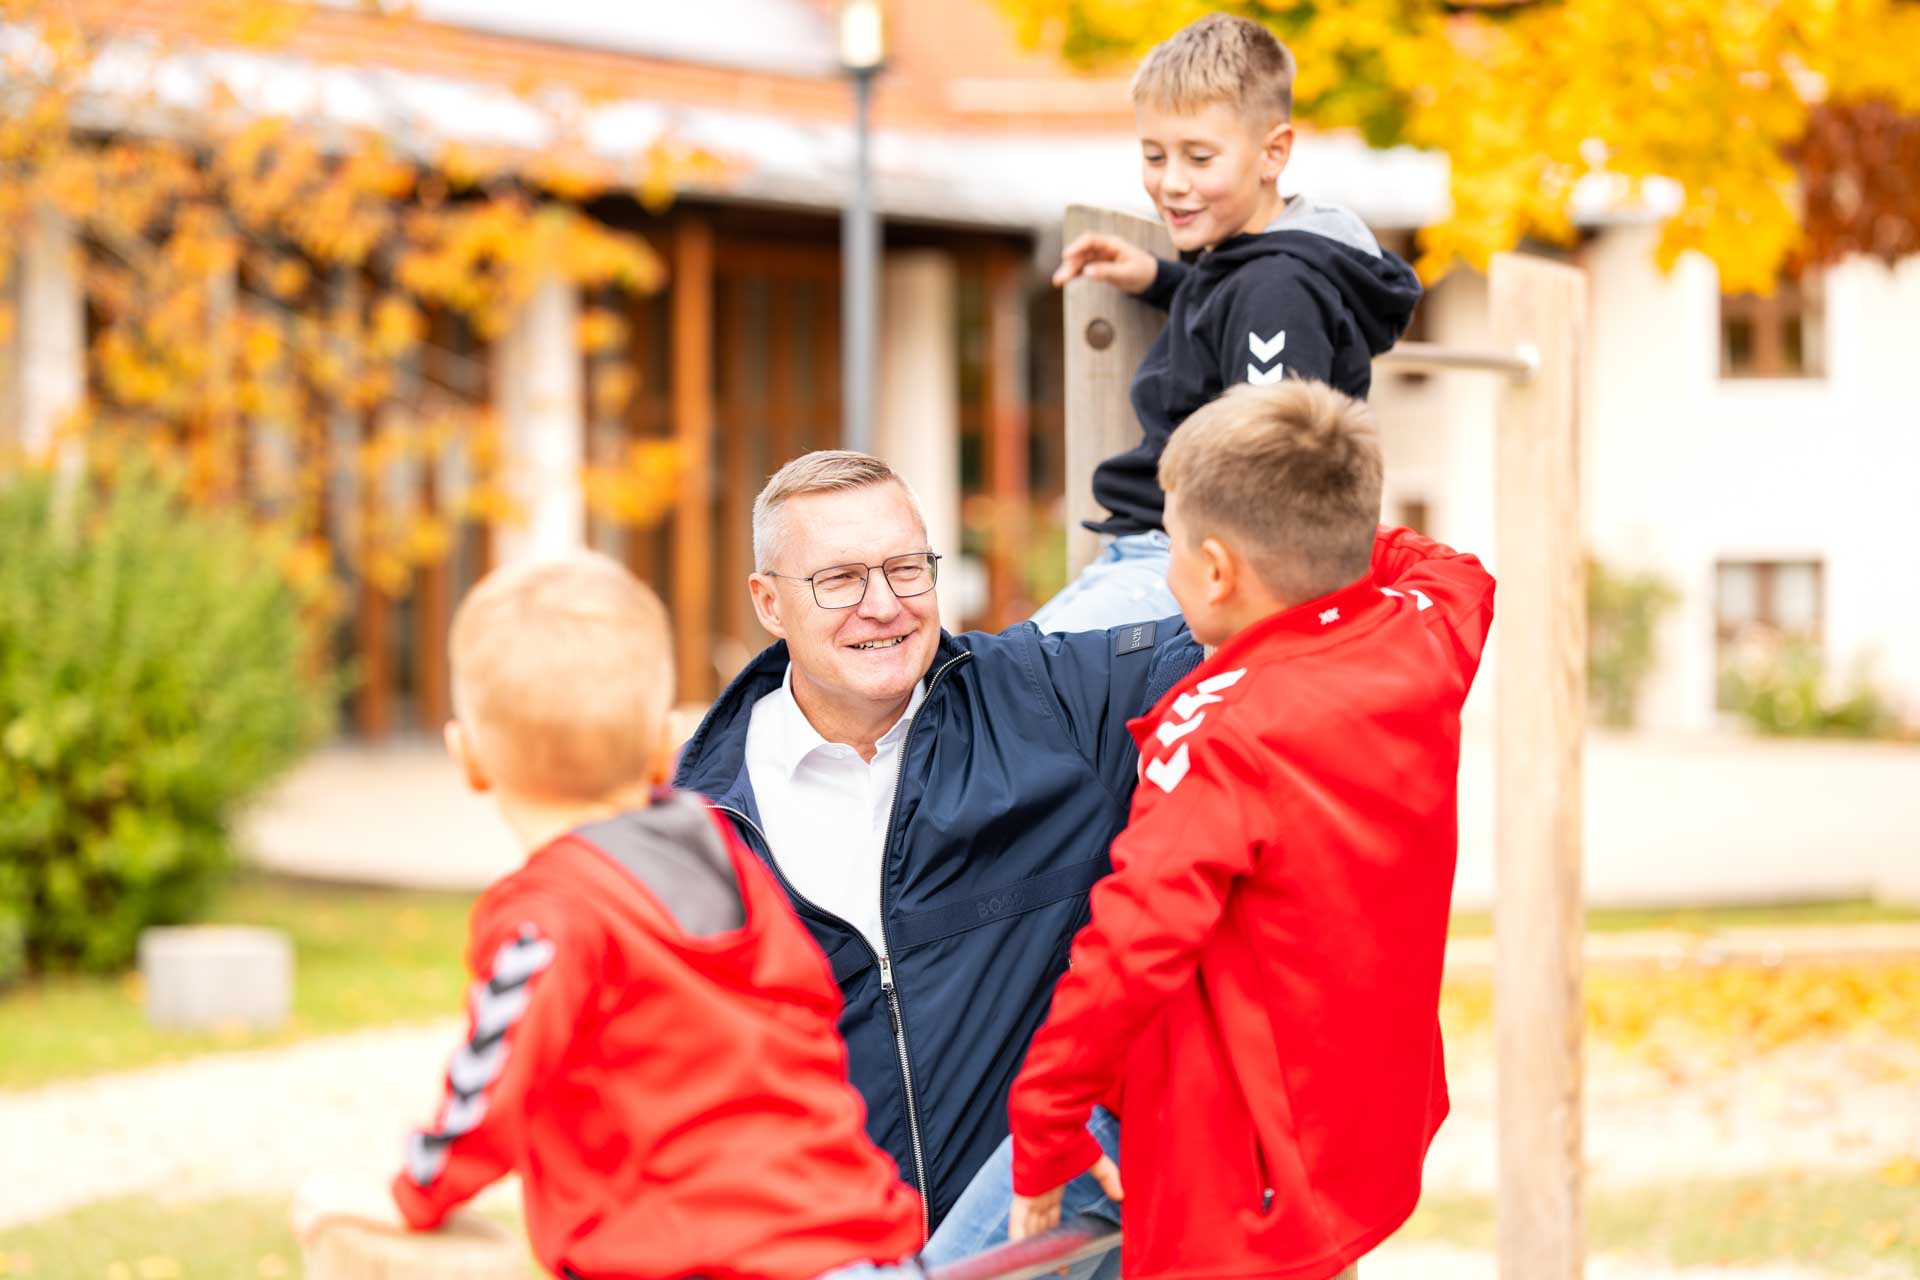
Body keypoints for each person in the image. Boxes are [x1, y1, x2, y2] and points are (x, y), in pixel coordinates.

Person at [293, 552, 924, 1280]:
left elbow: (492, 1077)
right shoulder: (728, 864)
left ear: (467, 759)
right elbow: (811, 1019)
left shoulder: (550, 911)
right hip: (858, 1247)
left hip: (716, 1263)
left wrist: (411, 1192)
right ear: (665, 747)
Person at [1006, 380, 1497, 1280]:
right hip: (1361, 1134)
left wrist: (1045, 1125)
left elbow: (1127, 947)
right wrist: (1328, 538)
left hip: (1243, 1177)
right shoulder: (1422, 637)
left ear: (1220, 571)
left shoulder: (1221, 735)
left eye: (1177, 549)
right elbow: (1457, 572)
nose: (1168, 571)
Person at [673, 450, 1201, 1254]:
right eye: (840, 580)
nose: (883, 605)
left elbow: (1259, 630)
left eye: (907, 568)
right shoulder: (697, 829)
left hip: (1040, 1246)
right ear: (769, 603)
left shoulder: (1048, 704)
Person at [1032, 12, 1424, 634]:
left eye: (1199, 157)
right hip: (1162, 554)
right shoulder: (1260, 264)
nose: (1172, 183)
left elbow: (1267, 475)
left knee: (999, 694)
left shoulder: (1277, 287)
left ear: (1274, 152)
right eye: (1154, 155)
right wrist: (1160, 279)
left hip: (1184, 570)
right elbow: (1234, 321)